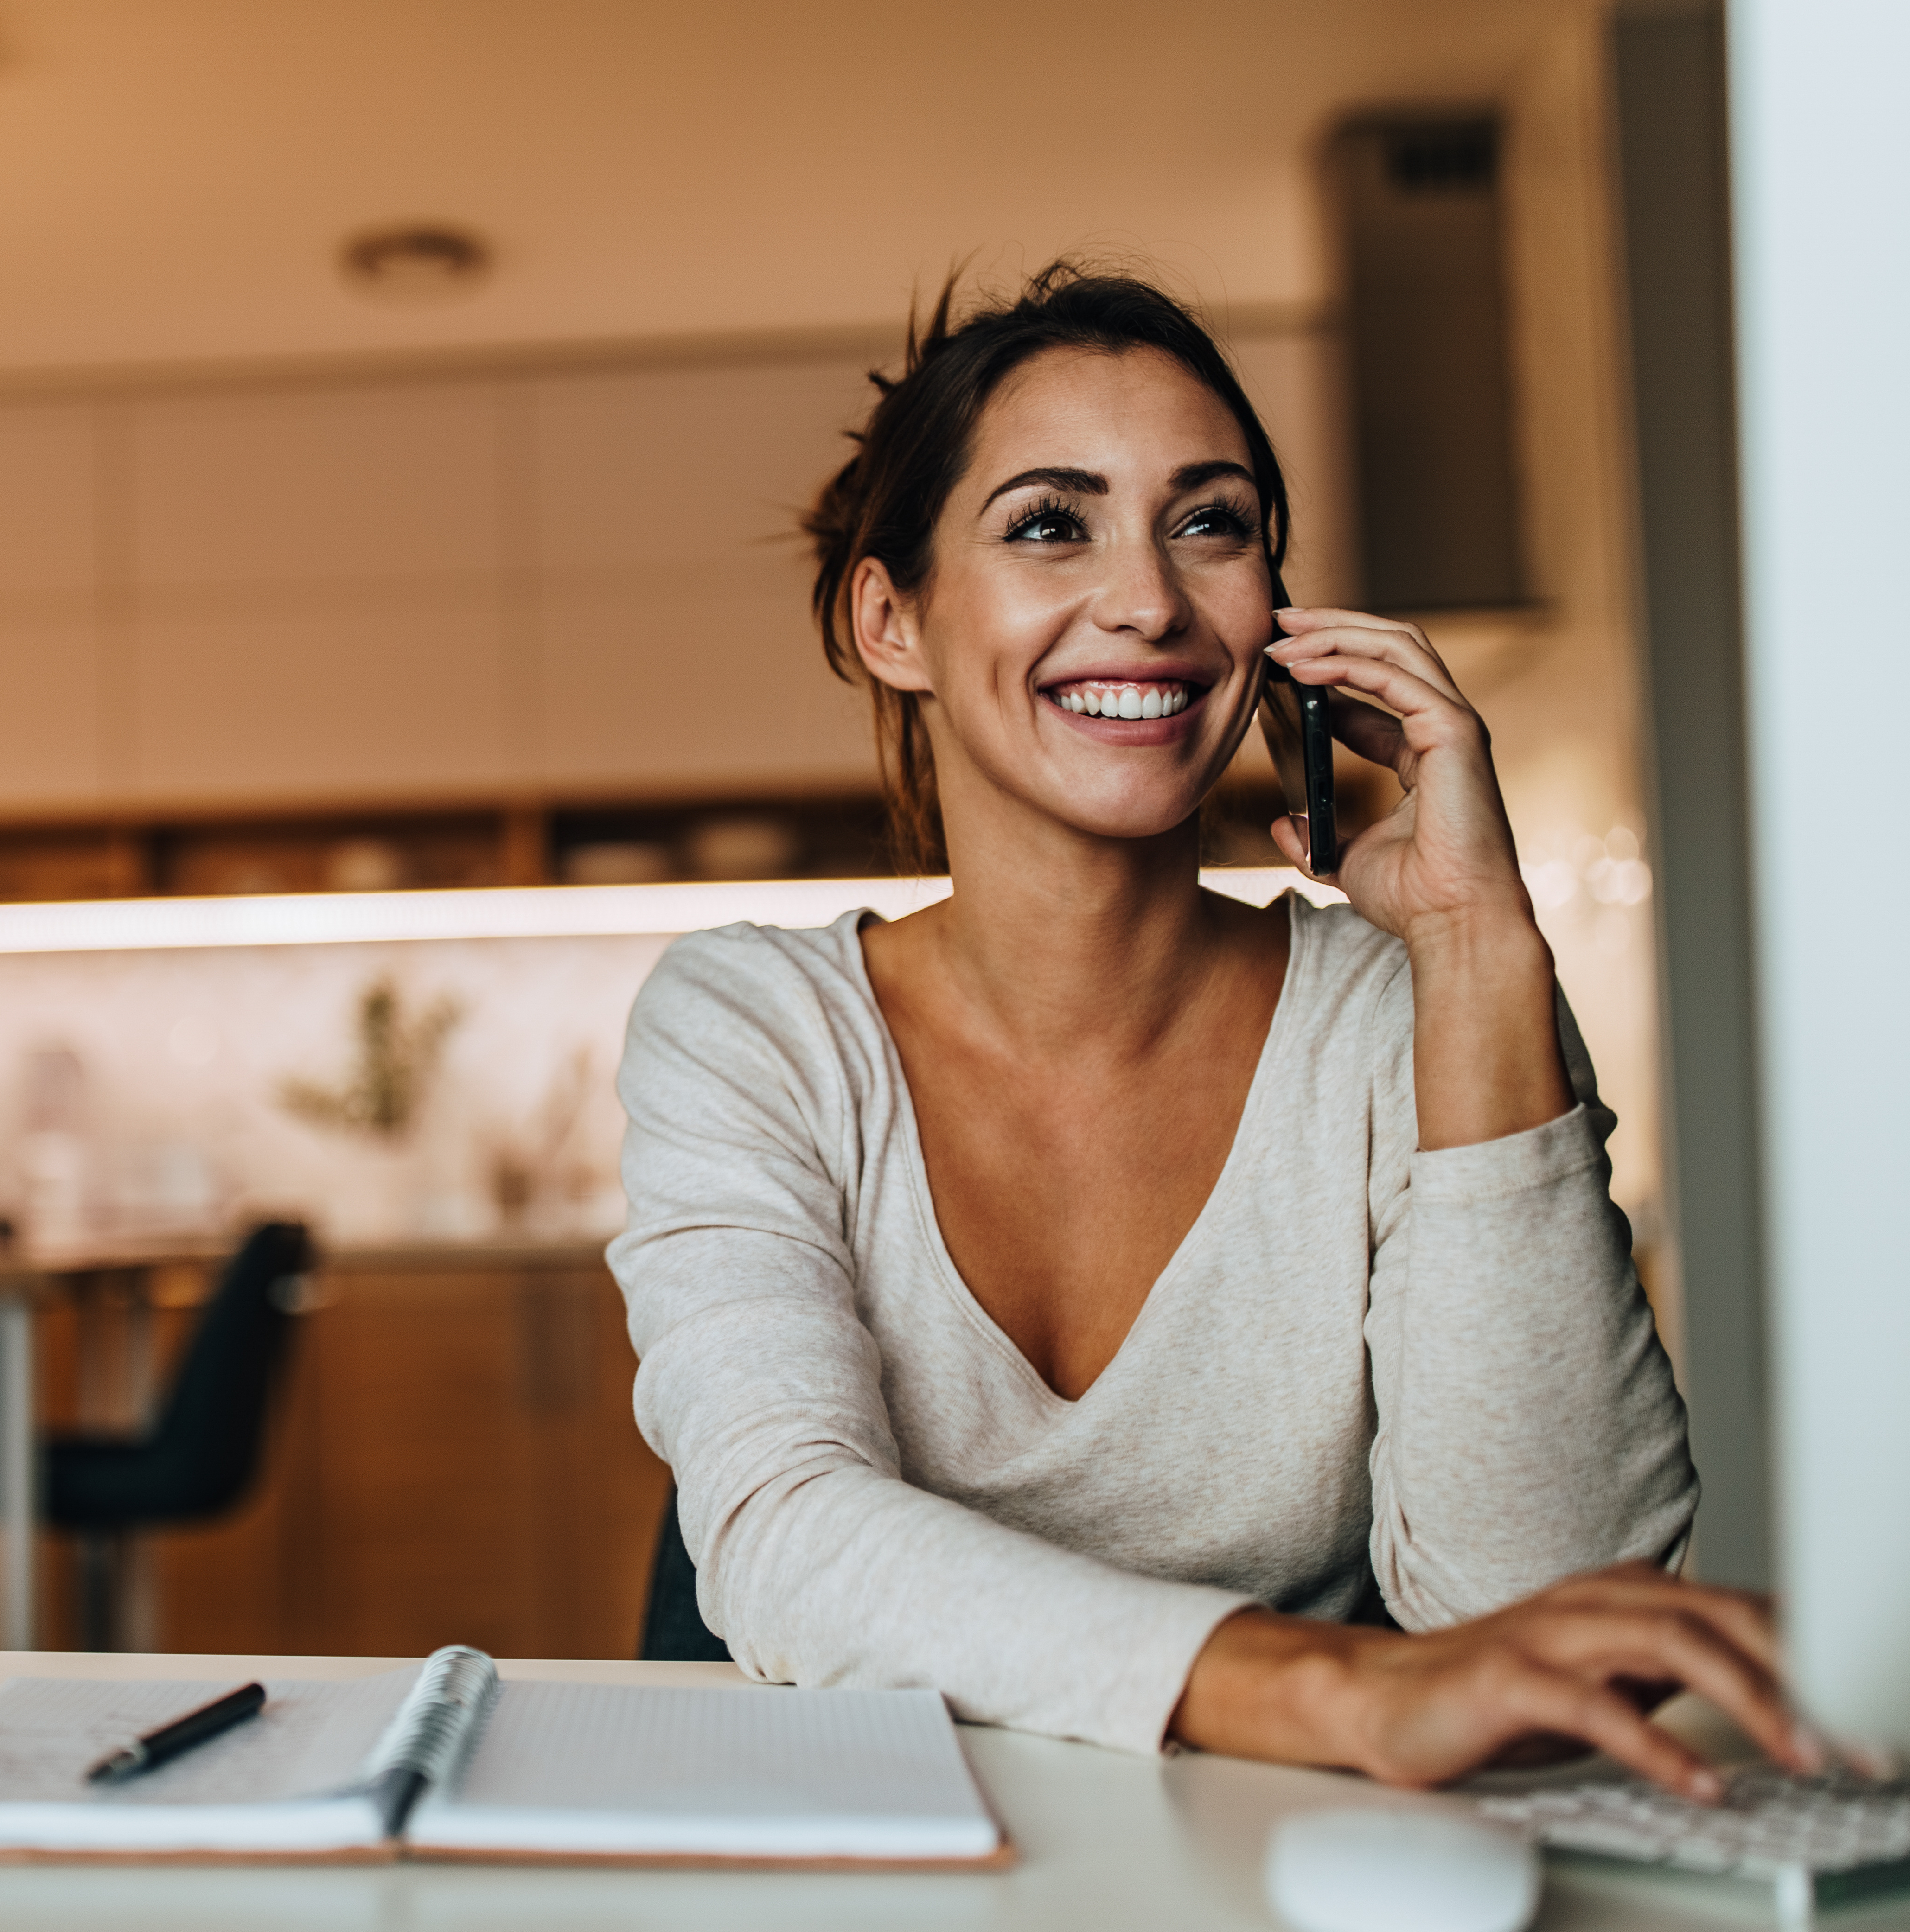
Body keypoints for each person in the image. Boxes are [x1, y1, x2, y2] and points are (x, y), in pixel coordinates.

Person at [609, 263, 1812, 1796]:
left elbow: (1545, 1627)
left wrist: (1478, 948)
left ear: (1277, 618)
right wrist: (1332, 1688)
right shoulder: (758, 1027)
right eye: (1051, 524)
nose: (1149, 601)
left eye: (1212, 521)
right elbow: (786, 1533)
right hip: (868, 1854)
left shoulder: (1403, 1017)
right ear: (890, 618)